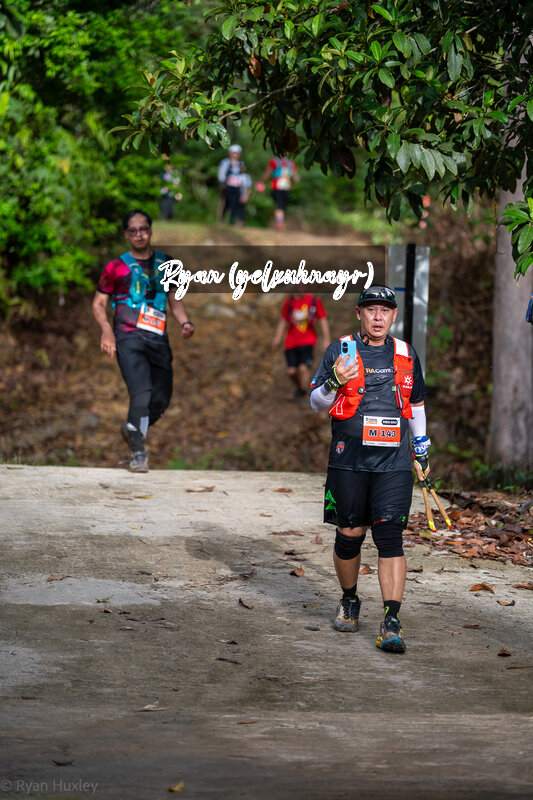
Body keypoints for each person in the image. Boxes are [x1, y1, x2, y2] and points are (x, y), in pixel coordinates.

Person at [309, 285, 430, 654]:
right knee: (349, 535)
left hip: (394, 462)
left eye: (385, 310)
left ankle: (391, 620)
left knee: (390, 536)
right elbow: (316, 403)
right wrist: (334, 382)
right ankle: (349, 599)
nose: (378, 317)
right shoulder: (340, 350)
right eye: (371, 310)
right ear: (359, 313)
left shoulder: (406, 353)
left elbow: (416, 404)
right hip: (349, 459)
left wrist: (421, 447)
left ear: (394, 315)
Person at [92, 209, 194, 472]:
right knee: (141, 391)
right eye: (133, 231)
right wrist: (106, 330)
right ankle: (138, 452)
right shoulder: (115, 267)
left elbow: (175, 300)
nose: (139, 234)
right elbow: (99, 303)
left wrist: (185, 322)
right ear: (126, 234)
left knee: (160, 400)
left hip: (158, 339)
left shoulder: (167, 264)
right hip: (127, 337)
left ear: (150, 230)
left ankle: (132, 429)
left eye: (143, 229)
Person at [273, 286, 330, 403]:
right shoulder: (290, 302)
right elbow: (283, 320)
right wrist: (277, 337)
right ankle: (300, 389)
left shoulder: (314, 301)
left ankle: (304, 394)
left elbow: (322, 319)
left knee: (303, 368)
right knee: (291, 371)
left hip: (308, 341)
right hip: (291, 342)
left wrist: (326, 339)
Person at [256, 154, 300, 230]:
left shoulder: (275, 161)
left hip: (279, 186)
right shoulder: (290, 162)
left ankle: (279, 223)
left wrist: (261, 181)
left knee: (280, 205)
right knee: (281, 205)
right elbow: (296, 177)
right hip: (286, 186)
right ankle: (280, 223)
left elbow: (267, 173)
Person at [217, 144, 246, 225]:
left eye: (237, 153)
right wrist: (223, 182)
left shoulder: (241, 164)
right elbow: (221, 173)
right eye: (234, 153)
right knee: (226, 203)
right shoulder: (225, 162)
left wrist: (244, 187)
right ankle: (222, 220)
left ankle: (232, 221)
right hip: (227, 186)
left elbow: (242, 176)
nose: (235, 155)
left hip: (237, 186)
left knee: (236, 204)